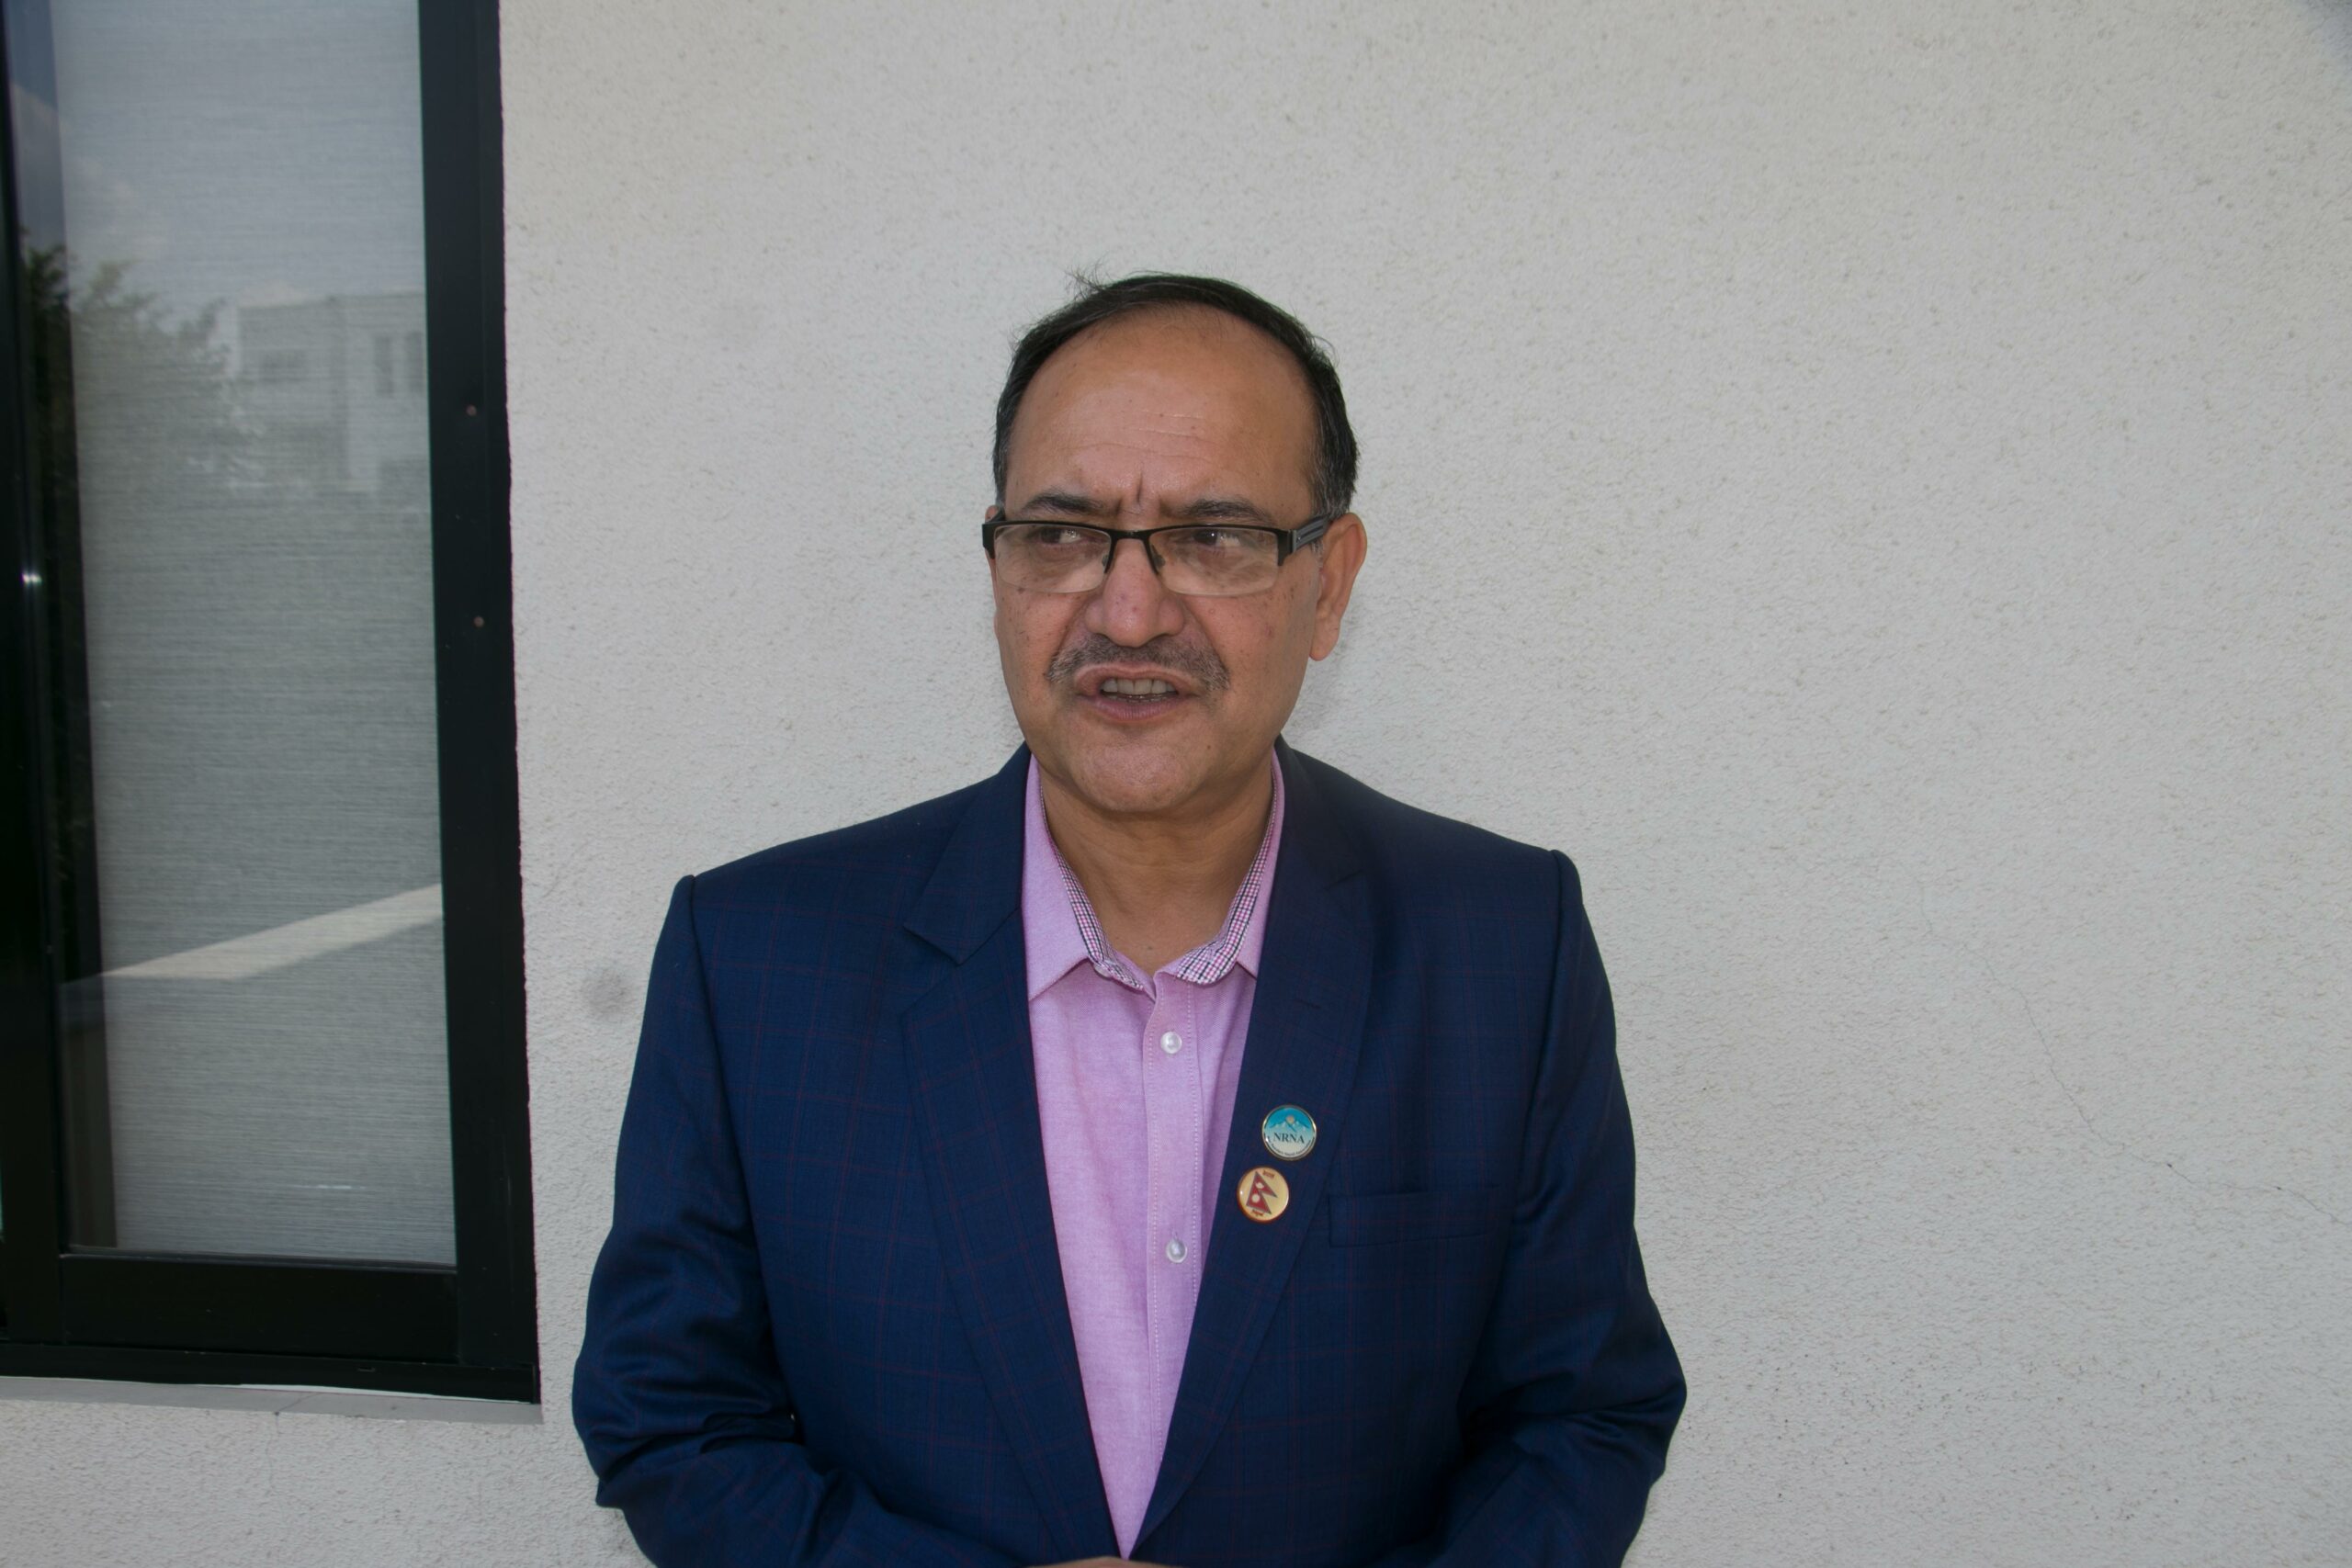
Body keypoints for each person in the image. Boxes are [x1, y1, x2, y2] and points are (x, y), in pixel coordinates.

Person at [573, 274, 1684, 1567]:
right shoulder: (756, 960)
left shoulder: (1500, 947)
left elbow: (1578, 1417)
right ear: (998, 568)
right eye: (1062, 534)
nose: (1129, 610)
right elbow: (671, 1417)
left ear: (1329, 585)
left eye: (1213, 535)